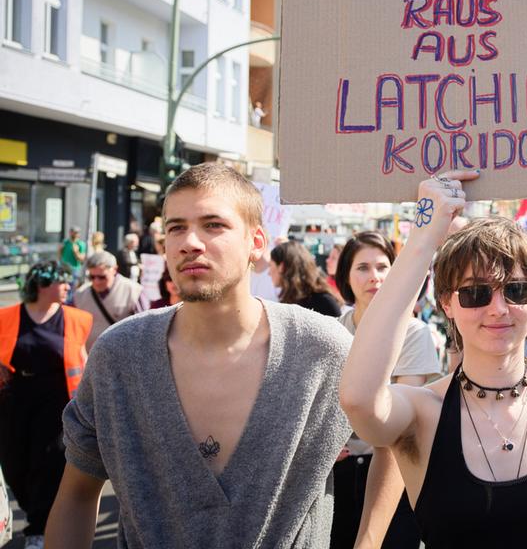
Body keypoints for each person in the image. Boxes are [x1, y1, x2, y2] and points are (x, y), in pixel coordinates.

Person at [46, 162, 353, 546]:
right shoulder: (118, 355)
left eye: (213, 225)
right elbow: (76, 493)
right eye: (175, 227)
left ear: (256, 242)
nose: (190, 241)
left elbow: (400, 439)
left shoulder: (322, 350)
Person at [339, 171, 527, 548]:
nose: (499, 309)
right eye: (476, 293)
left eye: (517, 290)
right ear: (447, 304)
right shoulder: (422, 413)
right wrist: (424, 237)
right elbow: (359, 399)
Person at [333, 231, 440, 549]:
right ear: (346, 276)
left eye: (382, 267)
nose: (374, 276)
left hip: (397, 473)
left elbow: (398, 424)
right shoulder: (335, 330)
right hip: (342, 472)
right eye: (362, 267)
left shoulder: (413, 333)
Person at [0, 262, 91, 549]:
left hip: (57, 400)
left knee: (49, 463)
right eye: (62, 282)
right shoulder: (7, 316)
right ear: (41, 285)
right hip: (14, 398)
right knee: (14, 464)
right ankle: (32, 510)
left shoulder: (75, 318)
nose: (68, 287)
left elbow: (83, 360)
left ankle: (38, 528)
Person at [71, 251, 147, 349]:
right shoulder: (80, 295)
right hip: (89, 358)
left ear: (114, 269)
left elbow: (144, 328)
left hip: (122, 357)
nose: (96, 282)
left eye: (102, 277)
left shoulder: (134, 291)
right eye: (92, 277)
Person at [270, 241, 343, 316]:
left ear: (281, 267)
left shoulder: (324, 302)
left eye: (270, 266)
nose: (269, 273)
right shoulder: (289, 299)